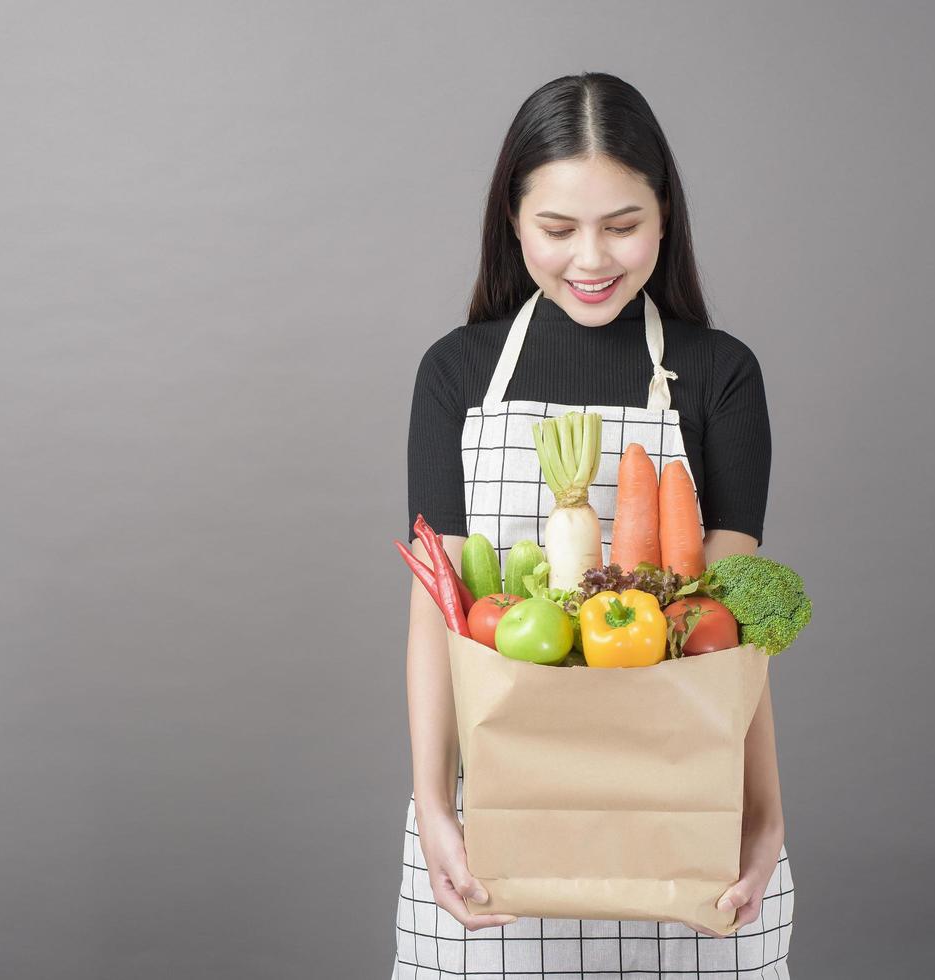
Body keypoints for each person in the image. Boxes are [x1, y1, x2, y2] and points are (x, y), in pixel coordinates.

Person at [392, 73, 795, 979]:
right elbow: (436, 614)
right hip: (497, 823)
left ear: (665, 216)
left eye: (623, 225)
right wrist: (432, 810)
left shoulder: (720, 375)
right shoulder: (454, 375)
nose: (591, 259)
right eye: (558, 229)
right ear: (512, 220)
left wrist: (764, 816)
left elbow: (728, 636)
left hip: (684, 822)